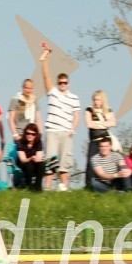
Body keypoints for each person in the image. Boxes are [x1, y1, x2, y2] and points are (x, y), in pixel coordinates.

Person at [41, 51, 80, 191]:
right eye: (60, 83)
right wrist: (44, 60)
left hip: (66, 131)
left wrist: (72, 129)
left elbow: (77, 115)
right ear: (58, 83)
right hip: (52, 130)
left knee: (65, 161)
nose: (62, 84)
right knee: (50, 160)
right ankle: (48, 186)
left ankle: (64, 186)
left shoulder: (74, 98)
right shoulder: (53, 93)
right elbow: (46, 77)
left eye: (65, 82)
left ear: (68, 83)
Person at [84, 90, 116, 188]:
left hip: (105, 140)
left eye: (98, 100)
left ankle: (110, 183)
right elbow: (89, 124)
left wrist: (97, 123)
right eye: (94, 100)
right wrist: (104, 124)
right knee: (91, 162)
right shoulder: (89, 110)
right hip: (94, 140)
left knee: (108, 161)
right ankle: (89, 185)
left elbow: (113, 123)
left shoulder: (108, 110)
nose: (96, 102)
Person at [7, 78, 41, 147]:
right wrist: (15, 135)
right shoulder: (15, 100)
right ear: (23, 87)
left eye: (31, 88)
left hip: (32, 135)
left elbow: (38, 119)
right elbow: (11, 119)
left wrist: (39, 134)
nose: (28, 90)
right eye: (27, 88)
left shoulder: (34, 101)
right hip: (20, 134)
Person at [15, 123, 45, 192]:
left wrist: (36, 158)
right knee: (29, 165)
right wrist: (31, 158)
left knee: (41, 164)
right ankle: (29, 186)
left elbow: (39, 156)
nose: (30, 135)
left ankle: (38, 186)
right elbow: (23, 160)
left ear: (36, 135)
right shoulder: (20, 142)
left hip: (34, 162)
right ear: (25, 133)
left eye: (33, 134)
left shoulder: (38, 142)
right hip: (24, 163)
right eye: (28, 133)